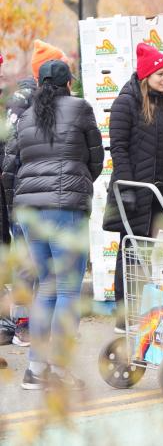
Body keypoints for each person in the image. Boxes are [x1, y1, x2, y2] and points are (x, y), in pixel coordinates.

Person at [2, 59, 103, 390]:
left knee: (45, 286)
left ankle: (35, 370)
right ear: (68, 83)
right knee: (67, 289)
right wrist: (79, 182)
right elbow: (96, 157)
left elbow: (11, 164)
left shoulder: (27, 115)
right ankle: (59, 370)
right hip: (65, 208)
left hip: (30, 209)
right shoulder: (80, 108)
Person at [104, 43, 163, 332]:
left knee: (157, 252)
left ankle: (153, 312)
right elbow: (117, 148)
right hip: (137, 192)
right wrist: (127, 186)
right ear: (146, 75)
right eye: (160, 73)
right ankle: (124, 315)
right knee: (131, 252)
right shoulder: (125, 103)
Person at [2, 40, 63, 349]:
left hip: (42, 195)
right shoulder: (24, 103)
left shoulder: (48, 101)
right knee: (27, 264)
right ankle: (21, 325)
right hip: (24, 197)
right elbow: (10, 159)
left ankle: (33, 322)